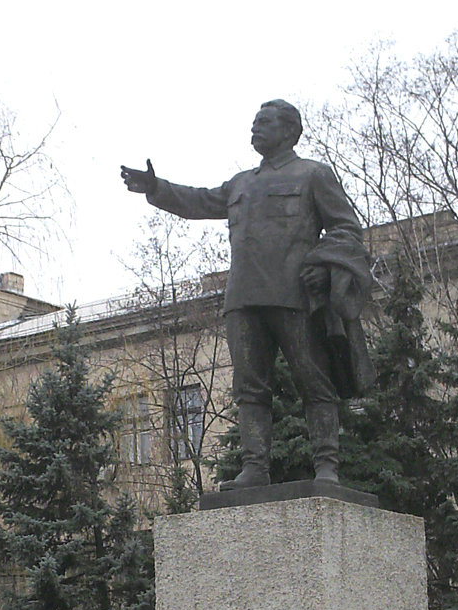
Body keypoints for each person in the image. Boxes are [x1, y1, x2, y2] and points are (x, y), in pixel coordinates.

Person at [121, 100, 375, 490]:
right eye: (254, 122)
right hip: (242, 299)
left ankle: (326, 465)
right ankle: (255, 467)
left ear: (289, 131)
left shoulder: (313, 175)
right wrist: (157, 188)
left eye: (264, 122)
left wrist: (324, 268)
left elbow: (346, 230)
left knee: (314, 381)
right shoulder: (241, 183)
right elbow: (200, 201)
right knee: (250, 389)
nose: (255, 128)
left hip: (295, 295)